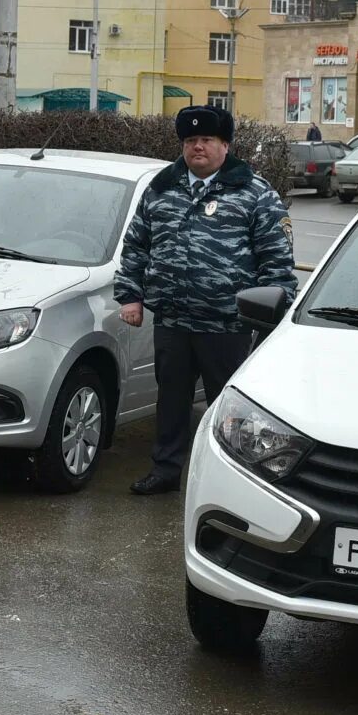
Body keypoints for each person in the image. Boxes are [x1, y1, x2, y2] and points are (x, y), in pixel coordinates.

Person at [115, 105, 299, 496]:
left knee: (231, 410)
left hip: (229, 325)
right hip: (173, 320)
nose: (198, 147)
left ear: (225, 146)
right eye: (190, 141)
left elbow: (277, 260)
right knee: (171, 404)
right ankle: (166, 471)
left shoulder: (254, 192)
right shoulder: (161, 188)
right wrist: (130, 296)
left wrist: (273, 317)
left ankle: (233, 481)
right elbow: (136, 245)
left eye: (207, 140)